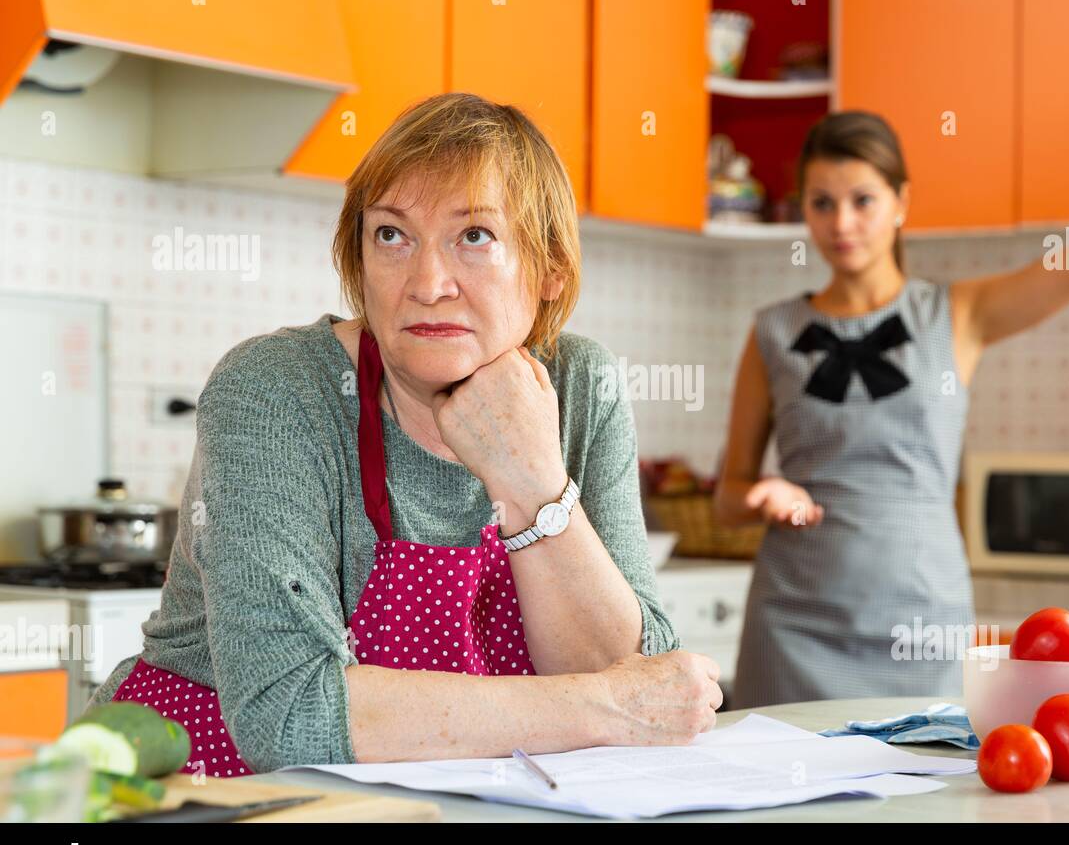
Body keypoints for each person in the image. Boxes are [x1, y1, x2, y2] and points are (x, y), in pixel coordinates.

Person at [90, 93, 721, 775]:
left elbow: (637, 675)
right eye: (391, 234)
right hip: (210, 790)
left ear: (549, 271)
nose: (427, 283)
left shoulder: (581, 385)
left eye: (474, 236)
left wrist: (533, 481)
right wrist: (602, 706)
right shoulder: (274, 388)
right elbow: (289, 715)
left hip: (445, 789)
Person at [718, 7, 1069, 707]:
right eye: (822, 203)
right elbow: (726, 495)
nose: (842, 223)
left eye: (863, 200)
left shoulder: (956, 313)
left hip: (921, 627)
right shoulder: (772, 331)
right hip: (792, 627)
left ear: (901, 204)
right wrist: (760, 495)